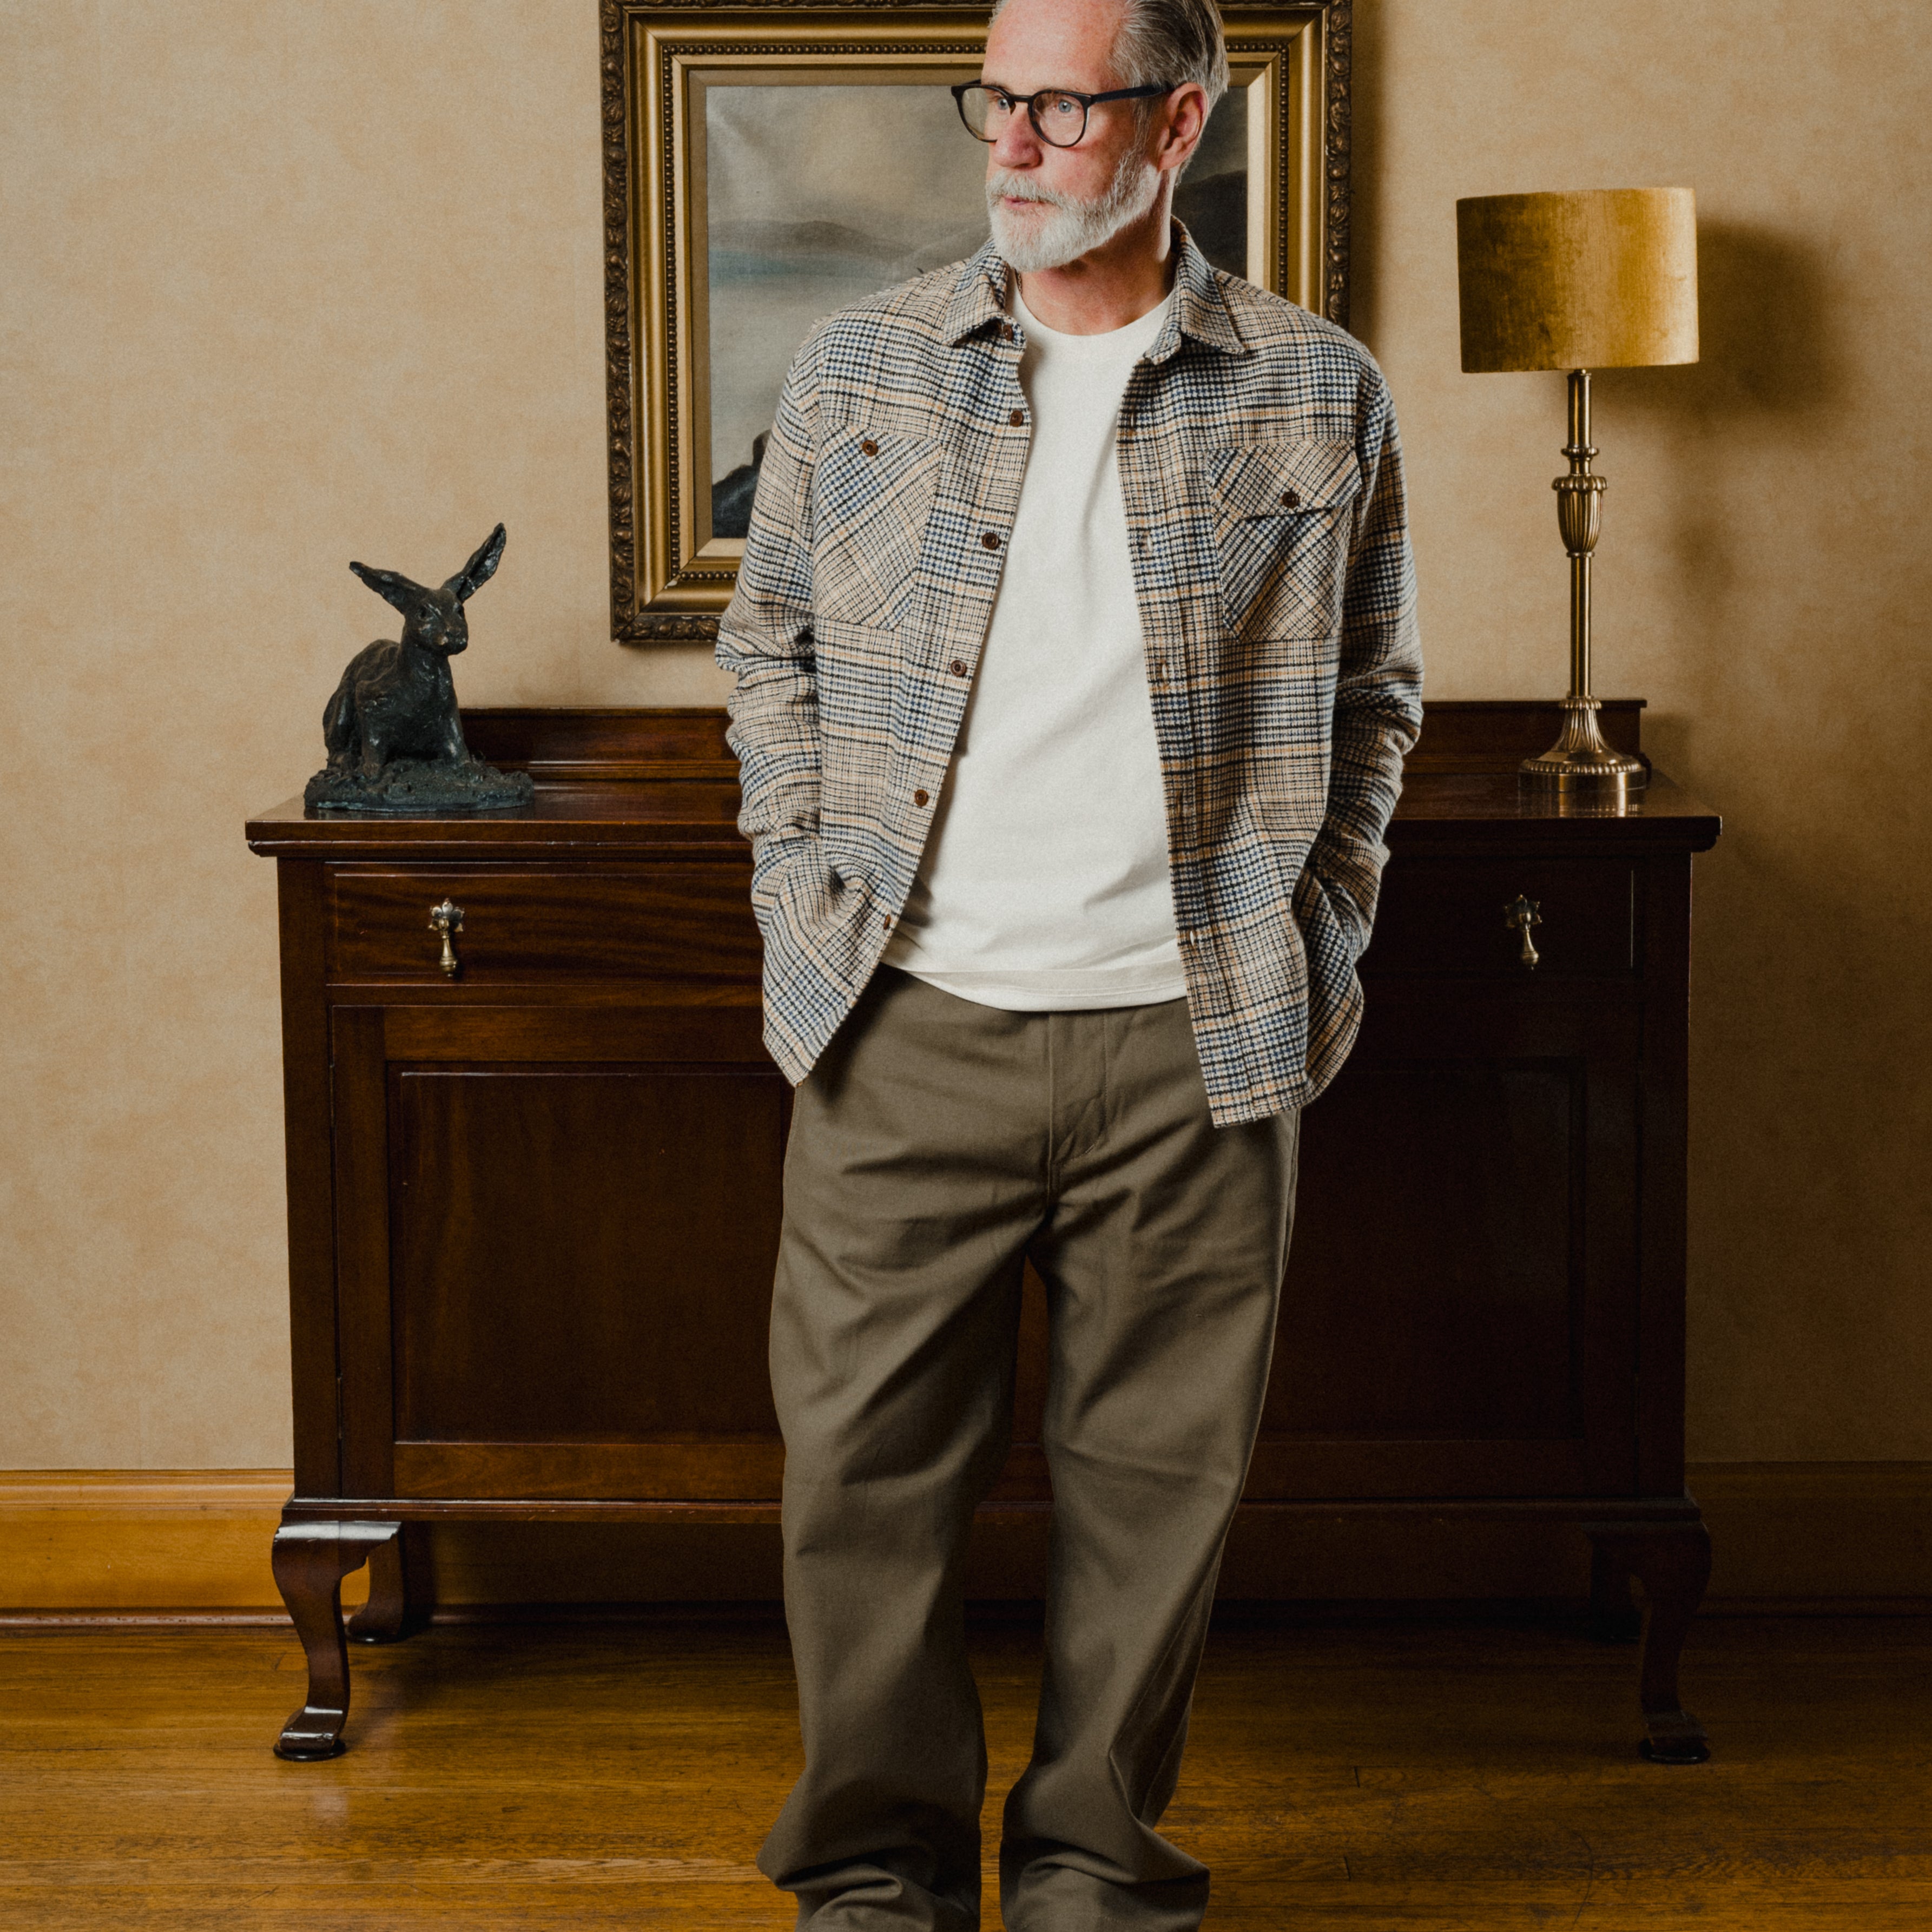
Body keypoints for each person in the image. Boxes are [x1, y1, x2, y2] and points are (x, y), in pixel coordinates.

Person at [714, 0, 1422, 1923]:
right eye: (993, 99)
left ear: (1176, 118)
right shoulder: (859, 364)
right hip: (903, 1027)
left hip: (1197, 1041)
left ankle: (1093, 1864)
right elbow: (767, 657)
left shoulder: (1316, 389)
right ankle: (870, 1869)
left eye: (1059, 103)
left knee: (1154, 1496)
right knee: (858, 1486)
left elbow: (1372, 697)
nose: (1009, 140)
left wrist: (1317, 930)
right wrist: (800, 886)